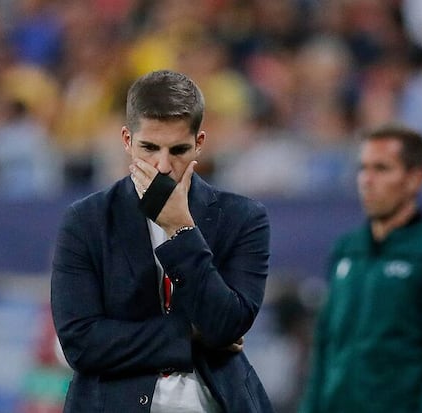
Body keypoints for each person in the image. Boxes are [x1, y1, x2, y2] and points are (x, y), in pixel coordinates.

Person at [51, 69, 274, 413]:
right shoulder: (86, 221)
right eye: (149, 147)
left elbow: (227, 325)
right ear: (127, 140)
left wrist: (181, 229)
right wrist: (188, 333)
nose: (163, 165)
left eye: (179, 149)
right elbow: (81, 344)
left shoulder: (243, 218)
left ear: (199, 143)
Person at [298, 124, 422, 413]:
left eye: (381, 169)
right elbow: (325, 346)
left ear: (414, 178)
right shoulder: (347, 249)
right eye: (363, 168)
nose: (367, 180)